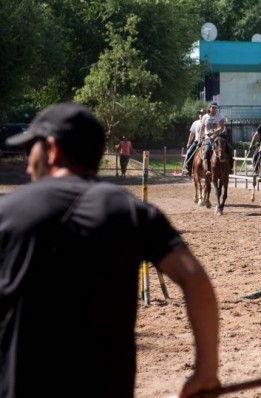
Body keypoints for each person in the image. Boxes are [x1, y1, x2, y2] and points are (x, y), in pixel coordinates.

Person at [0, 102, 220, 398]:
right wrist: (205, 371)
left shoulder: (7, 211)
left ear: (52, 150)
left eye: (30, 151)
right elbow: (196, 282)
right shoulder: (132, 211)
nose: (27, 163)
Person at [201, 101, 232, 176]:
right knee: (207, 151)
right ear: (210, 108)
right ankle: (207, 169)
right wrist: (200, 138)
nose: (214, 109)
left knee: (229, 149)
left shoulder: (220, 116)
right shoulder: (205, 117)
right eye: (213, 107)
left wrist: (213, 131)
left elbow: (221, 127)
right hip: (208, 137)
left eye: (216, 108)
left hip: (217, 137)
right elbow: (202, 129)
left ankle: (230, 167)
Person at [183, 109, 205, 176]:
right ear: (199, 115)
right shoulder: (195, 123)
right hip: (197, 142)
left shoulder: (208, 122)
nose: (201, 115)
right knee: (189, 152)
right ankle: (188, 168)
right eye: (200, 114)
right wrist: (188, 143)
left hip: (206, 141)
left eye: (203, 114)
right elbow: (192, 134)